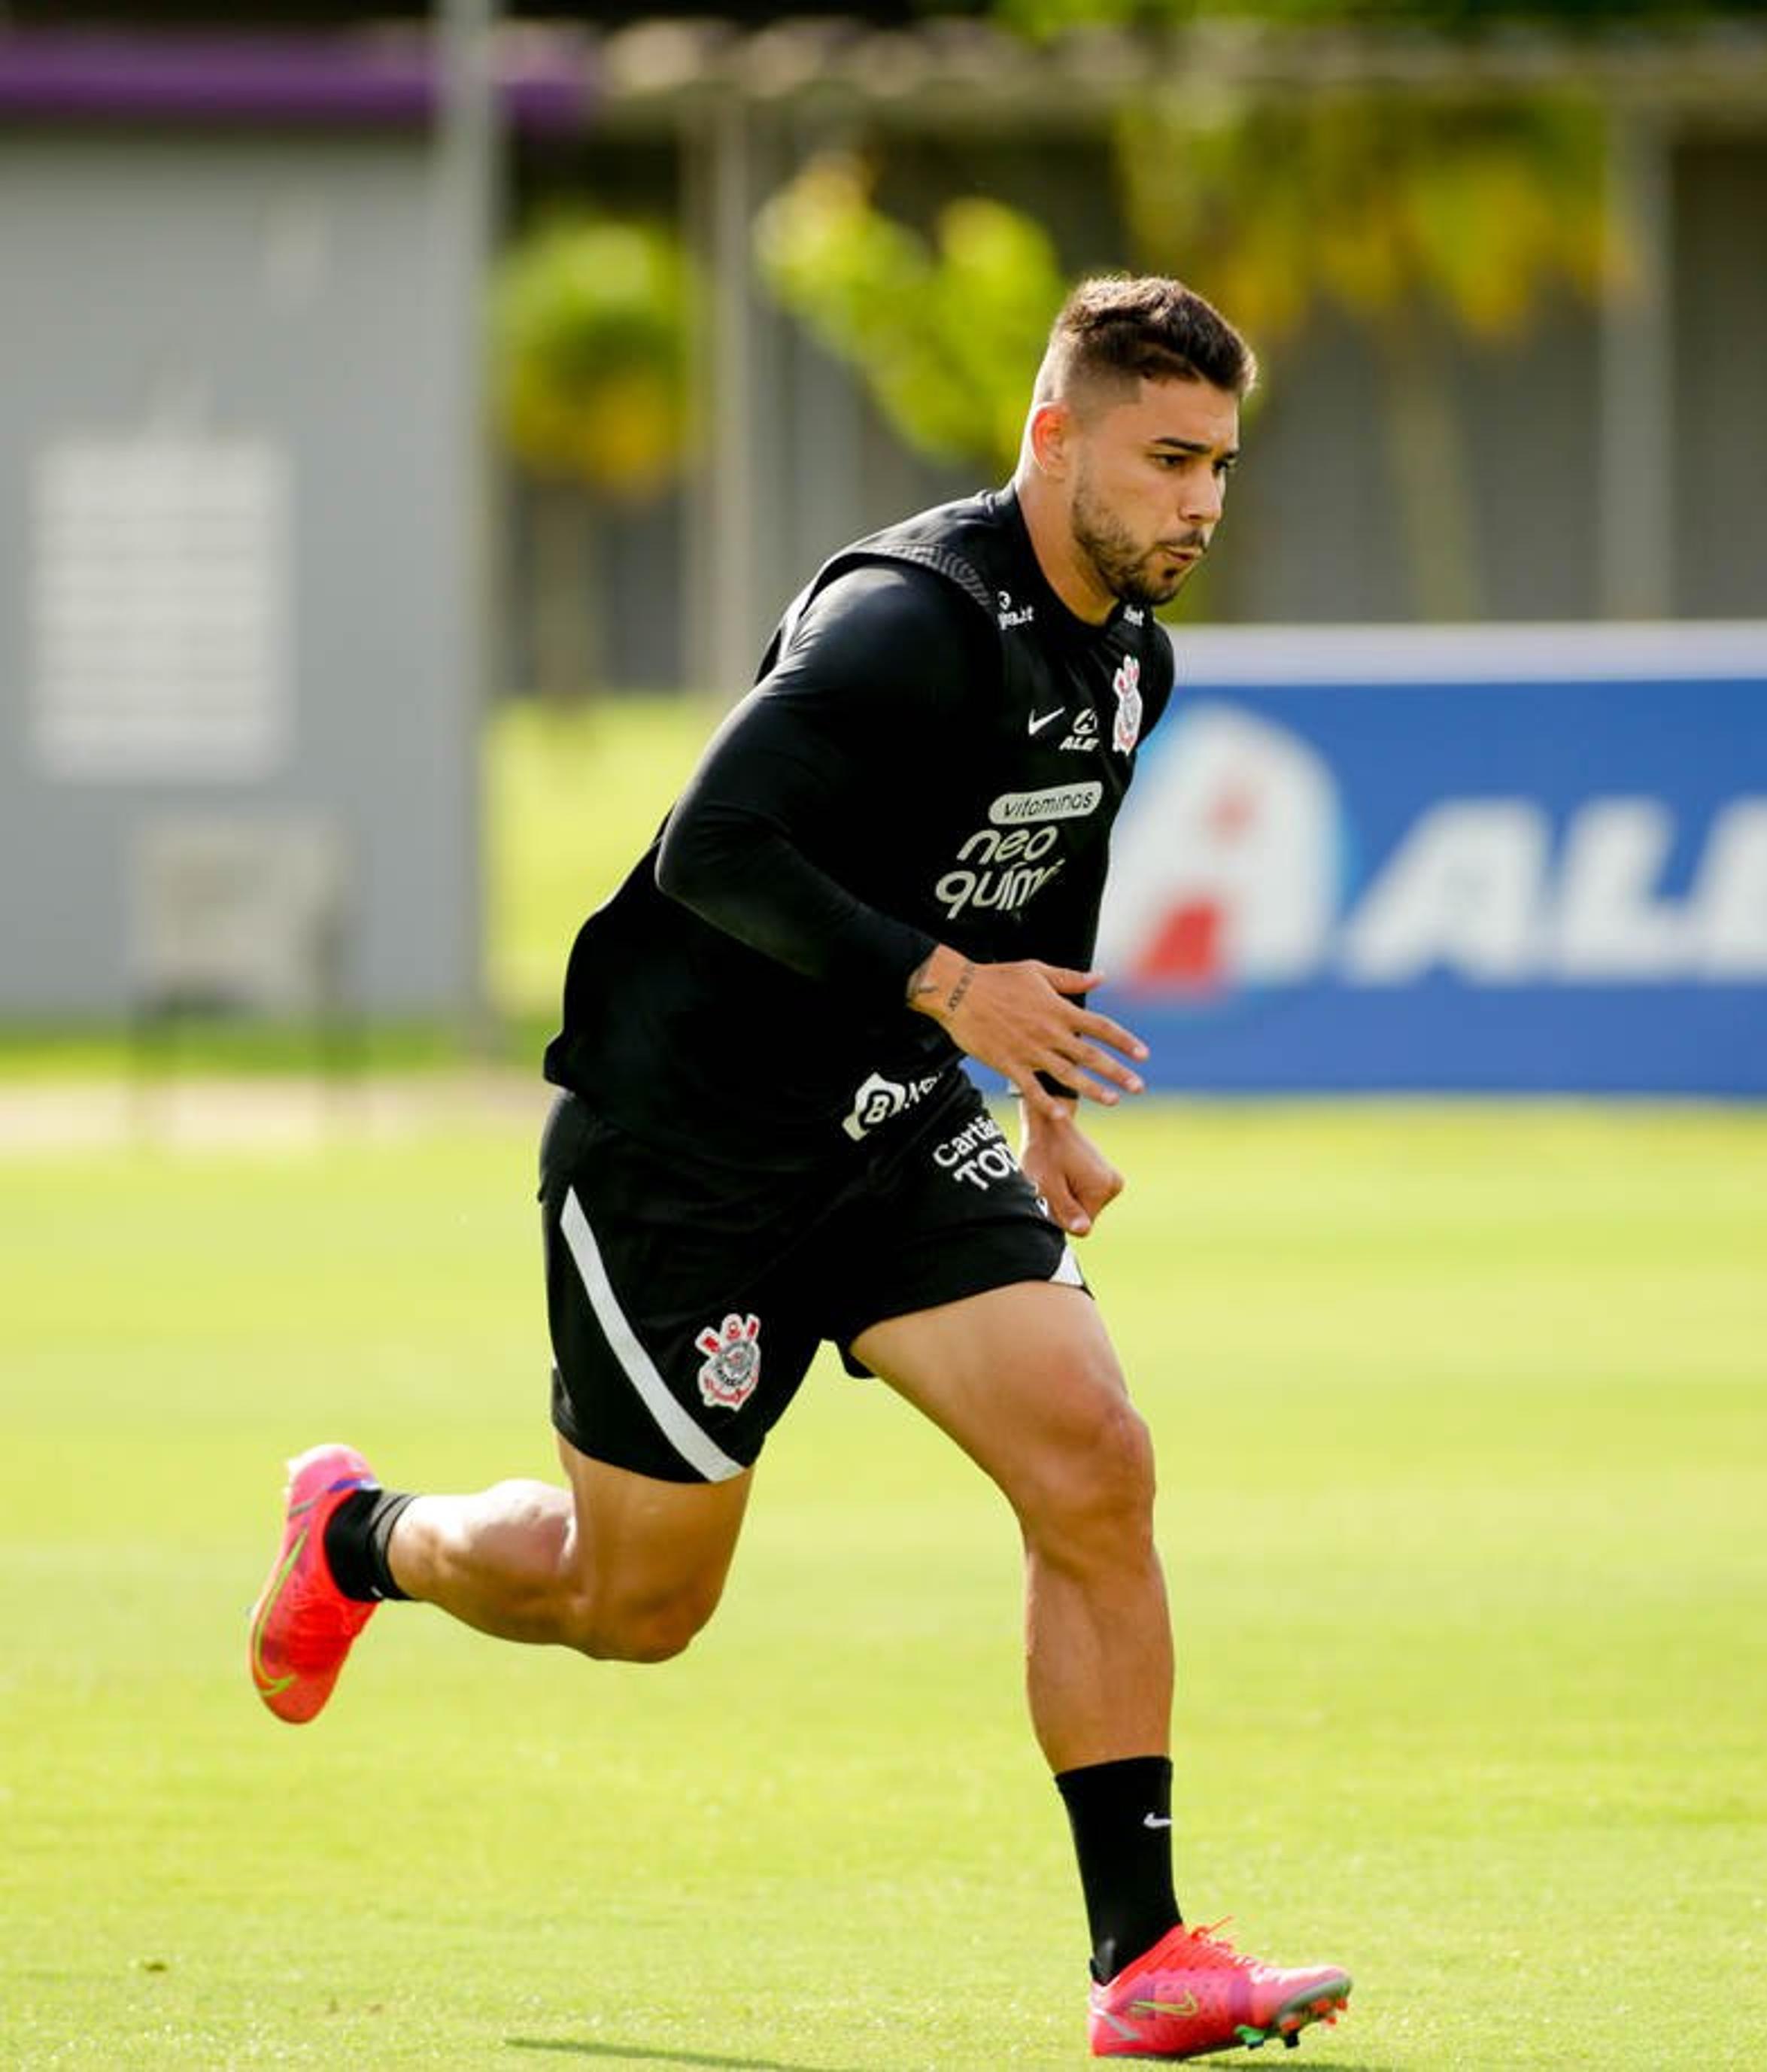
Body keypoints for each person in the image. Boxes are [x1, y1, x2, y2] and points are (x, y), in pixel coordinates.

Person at [247, 275, 1350, 2061]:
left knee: (1097, 1458)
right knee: (639, 1605)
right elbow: (714, 845)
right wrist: (944, 986)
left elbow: (1044, 855)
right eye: (1166, 460)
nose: (1202, 503)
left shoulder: (1133, 661)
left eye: (1220, 464)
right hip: (684, 1146)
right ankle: (360, 1537)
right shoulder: (907, 618)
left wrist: (1044, 1087)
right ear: (1055, 436)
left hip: (893, 1128)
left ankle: (1141, 1961)